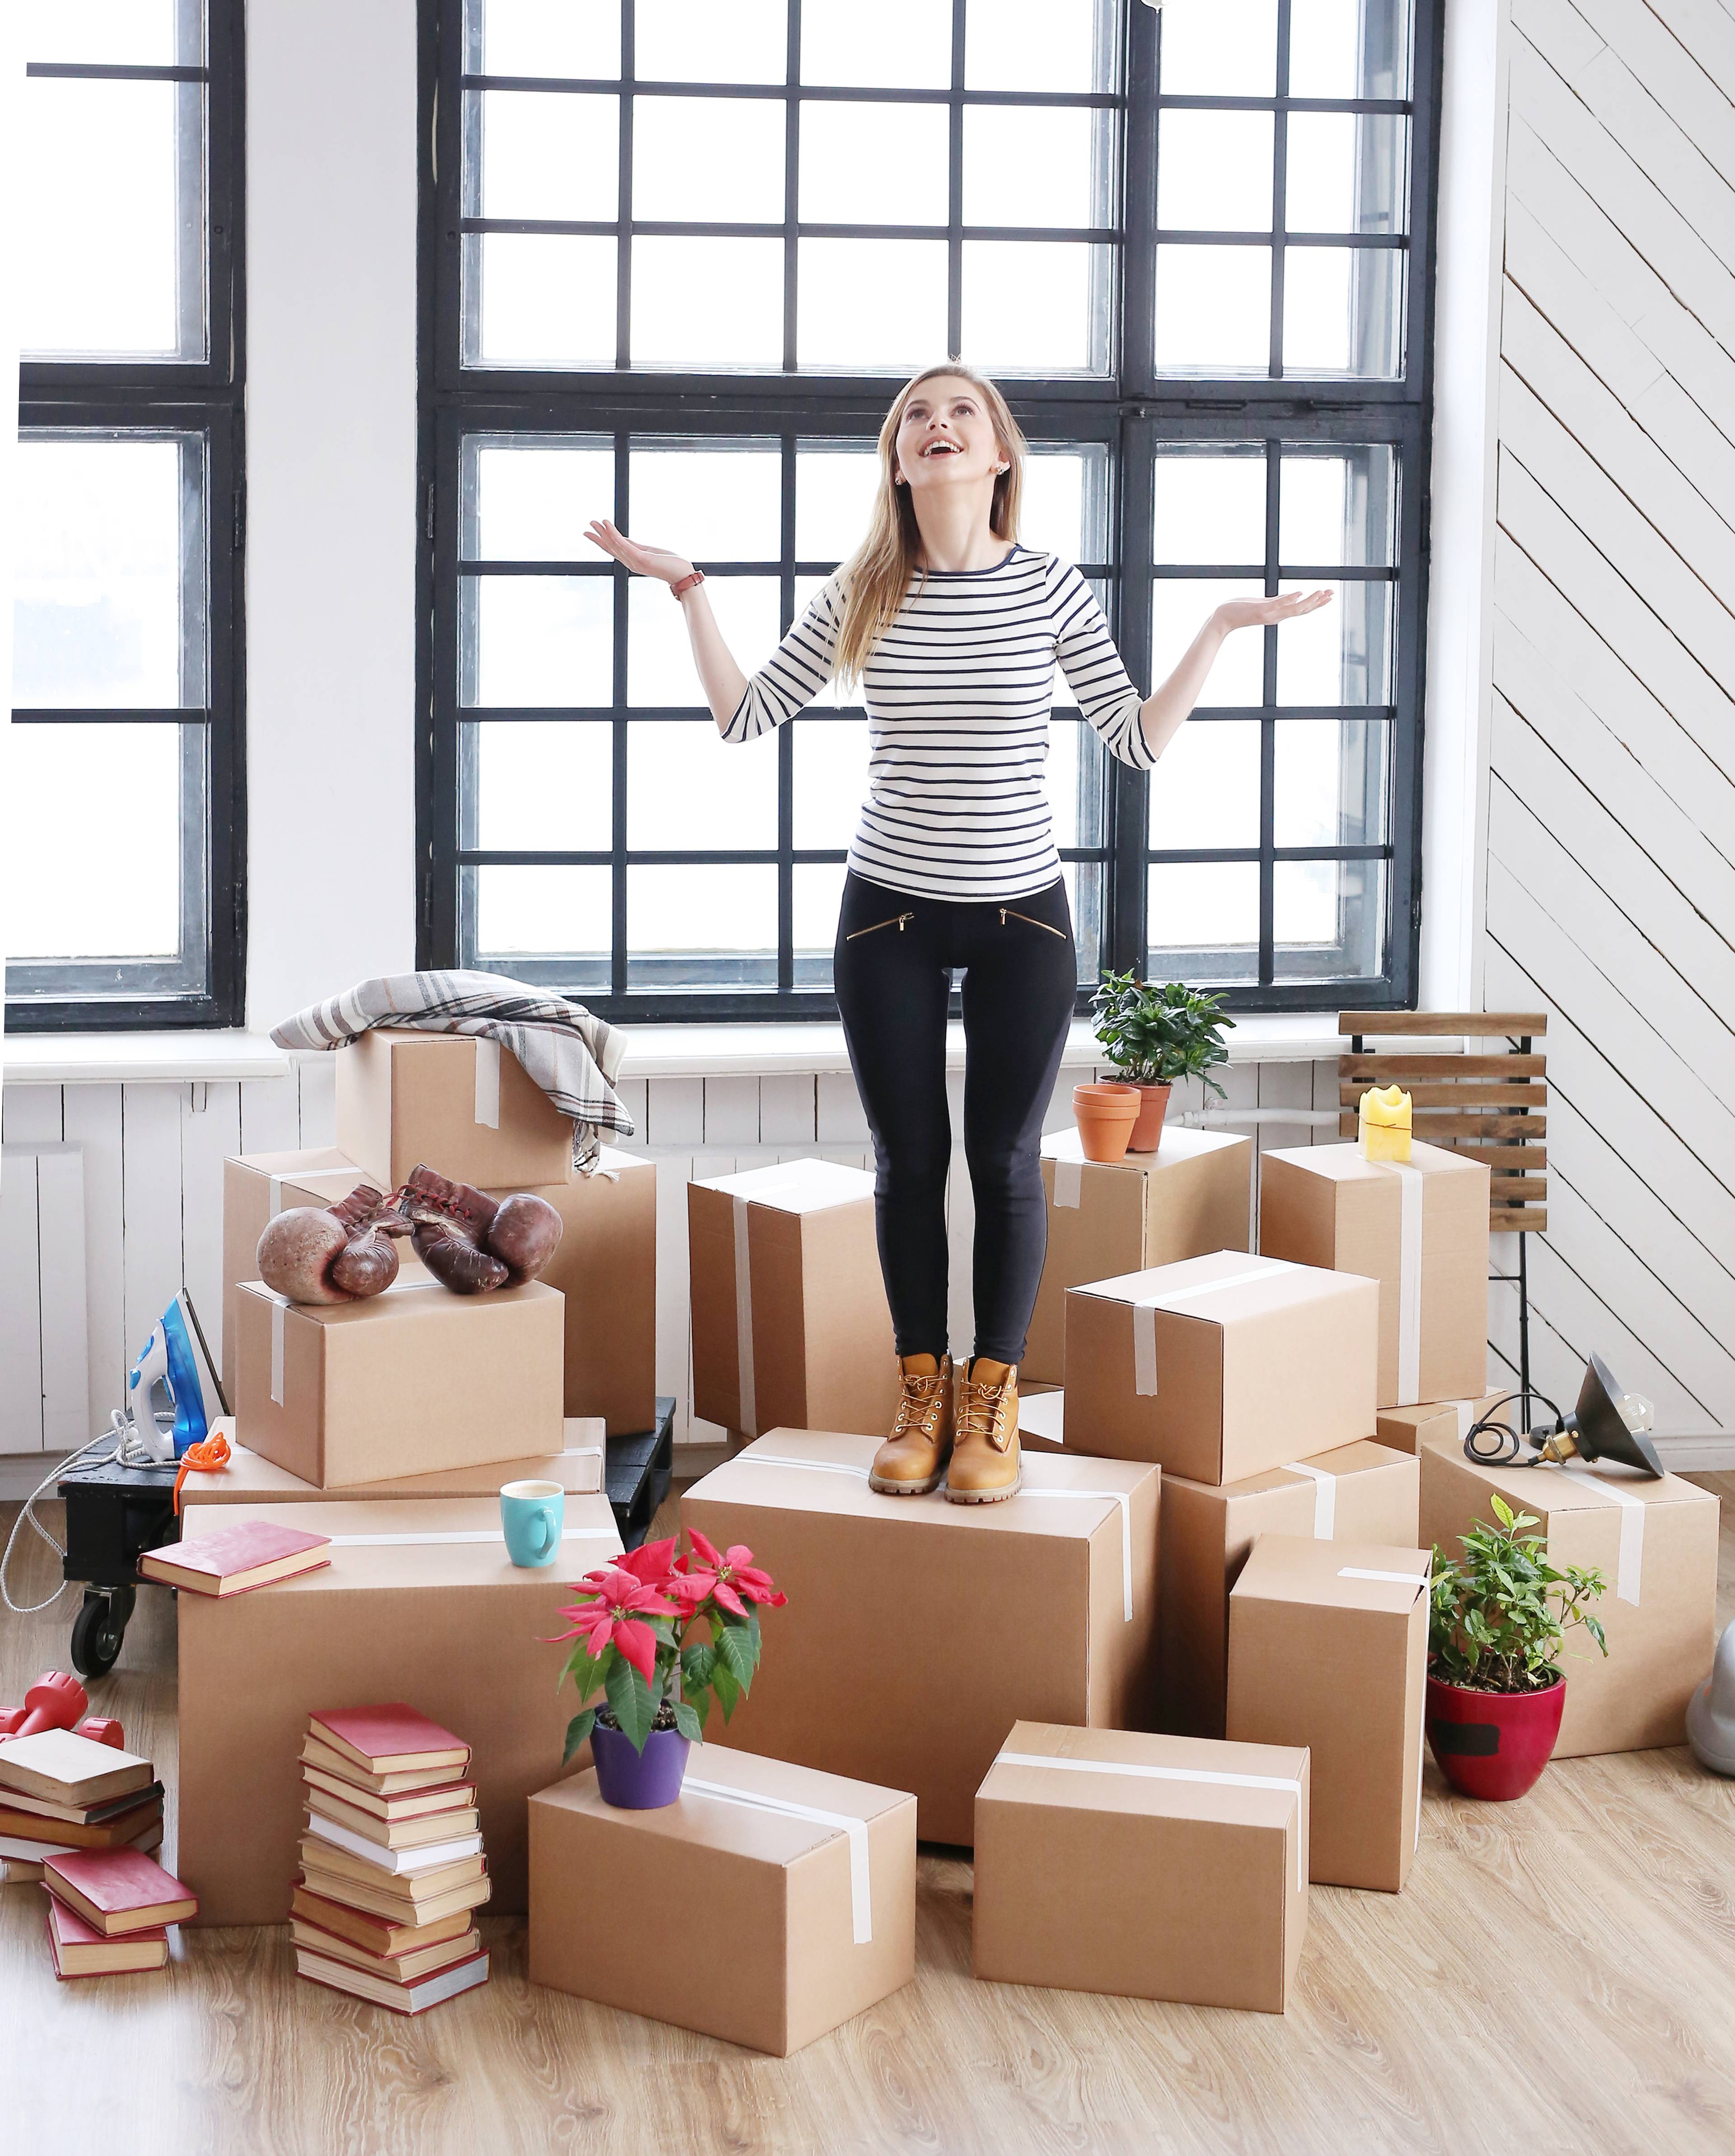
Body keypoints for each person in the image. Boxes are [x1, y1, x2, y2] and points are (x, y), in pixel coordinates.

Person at [587, 364, 1330, 1505]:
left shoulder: (1049, 586)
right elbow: (744, 717)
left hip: (1023, 917)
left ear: (999, 457)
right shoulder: (861, 592)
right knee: (909, 1162)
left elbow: (1134, 741)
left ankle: (994, 1404)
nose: (938, 425)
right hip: (886, 911)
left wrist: (1220, 628)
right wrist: (687, 587)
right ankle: (920, 1394)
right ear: (898, 460)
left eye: (962, 413)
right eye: (917, 417)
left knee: (1002, 1161)